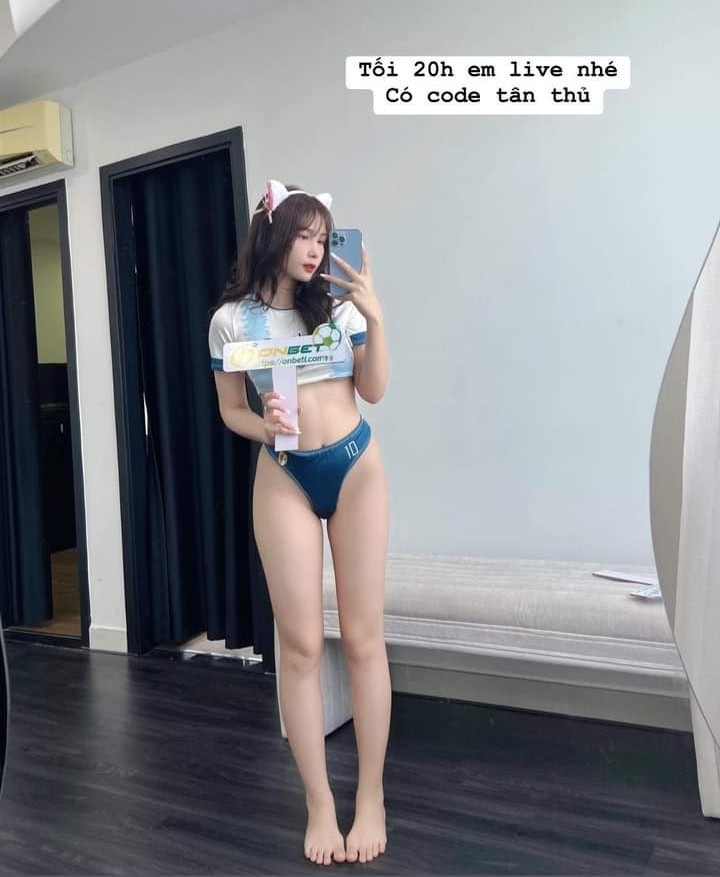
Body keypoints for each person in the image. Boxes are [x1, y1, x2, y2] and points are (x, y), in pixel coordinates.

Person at [208, 180, 391, 866]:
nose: (315, 249)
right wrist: (265, 424)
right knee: (302, 646)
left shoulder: (338, 305)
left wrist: (375, 317)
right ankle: (319, 803)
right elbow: (231, 408)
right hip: (283, 474)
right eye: (303, 235)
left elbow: (373, 390)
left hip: (356, 467)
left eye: (322, 237)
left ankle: (370, 796)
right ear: (274, 235)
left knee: (364, 639)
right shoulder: (231, 320)